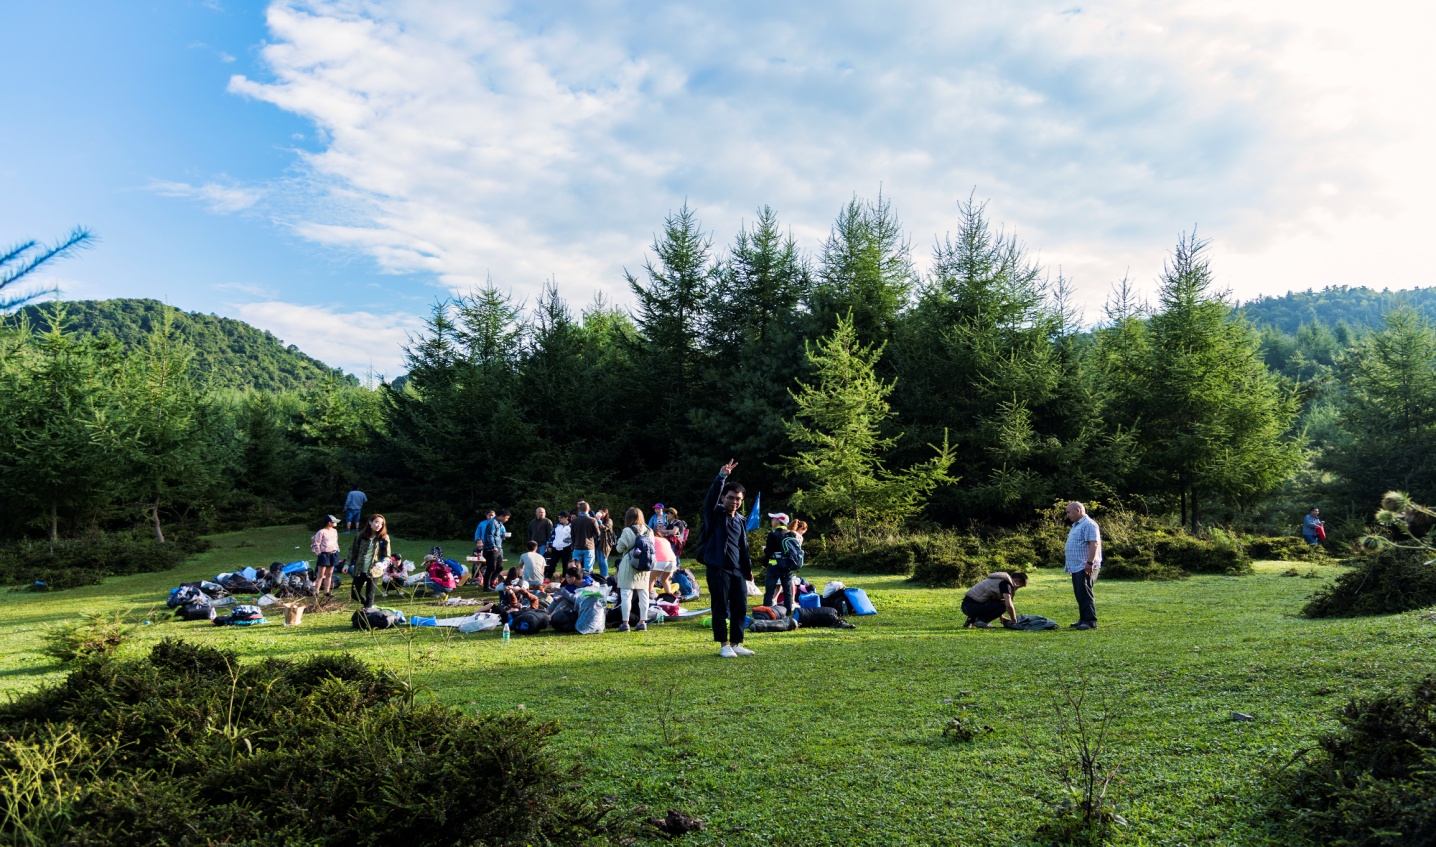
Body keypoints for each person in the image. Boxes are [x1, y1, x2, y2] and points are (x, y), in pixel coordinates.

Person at [696, 459, 755, 657]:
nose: (734, 502)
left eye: (738, 499)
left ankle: (737, 643)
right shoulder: (714, 515)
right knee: (720, 607)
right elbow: (710, 499)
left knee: (740, 607)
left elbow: (743, 547)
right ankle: (724, 645)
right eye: (731, 498)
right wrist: (721, 477)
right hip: (718, 569)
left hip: (736, 570)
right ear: (723, 498)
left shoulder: (740, 520)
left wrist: (747, 569)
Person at [614, 507, 653, 633]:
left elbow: (619, 549)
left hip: (629, 564)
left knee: (626, 594)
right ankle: (643, 622)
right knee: (644, 594)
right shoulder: (649, 530)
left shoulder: (627, 530)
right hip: (644, 564)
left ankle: (625, 623)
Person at [1064, 501, 1102, 630]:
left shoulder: (1089, 525)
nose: (1067, 515)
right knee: (1080, 593)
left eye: (1069, 512)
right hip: (1076, 566)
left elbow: (1094, 544)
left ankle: (1090, 621)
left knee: (1085, 593)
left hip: (1085, 565)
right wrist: (1070, 566)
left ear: (1078, 510)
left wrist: (1090, 563)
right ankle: (1083, 618)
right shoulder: (1076, 525)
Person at [346, 513, 390, 609]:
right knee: (354, 593)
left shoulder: (384, 537)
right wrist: (346, 564)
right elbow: (353, 550)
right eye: (376, 522)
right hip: (360, 569)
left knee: (370, 593)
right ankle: (368, 606)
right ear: (370, 522)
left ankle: (368, 610)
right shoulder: (361, 536)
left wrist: (384, 563)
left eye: (381, 524)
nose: (379, 525)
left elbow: (387, 555)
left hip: (374, 570)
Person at [962, 571, 1029, 628]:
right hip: (972, 607)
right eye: (1019, 586)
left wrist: (1001, 616)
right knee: (1004, 604)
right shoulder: (1005, 584)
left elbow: (993, 601)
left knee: (997, 602)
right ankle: (982, 621)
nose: (1017, 588)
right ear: (1016, 580)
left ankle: (971, 620)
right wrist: (1014, 620)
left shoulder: (997, 580)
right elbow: (1008, 604)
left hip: (966, 605)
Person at [761, 513, 796, 614]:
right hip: (787, 565)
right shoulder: (791, 534)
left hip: (774, 564)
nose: (771, 521)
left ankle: (767, 612)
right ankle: (788, 612)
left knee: (769, 592)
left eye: (773, 519)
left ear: (779, 521)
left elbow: (769, 552)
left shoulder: (773, 534)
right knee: (787, 591)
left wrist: (765, 559)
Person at [478, 509, 511, 590]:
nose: (506, 520)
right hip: (491, 549)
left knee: (499, 567)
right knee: (491, 568)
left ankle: (491, 583)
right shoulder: (493, 523)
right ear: (501, 516)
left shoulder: (499, 523)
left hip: (498, 548)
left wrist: (502, 536)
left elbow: (496, 535)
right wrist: (493, 546)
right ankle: (486, 587)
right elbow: (490, 535)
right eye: (506, 518)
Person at [311, 514, 341, 597]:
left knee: (329, 574)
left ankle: (326, 592)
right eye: (334, 521)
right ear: (329, 523)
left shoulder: (334, 531)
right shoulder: (321, 532)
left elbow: (336, 541)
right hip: (324, 555)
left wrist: (336, 549)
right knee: (320, 574)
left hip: (333, 554)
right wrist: (319, 553)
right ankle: (316, 592)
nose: (336, 523)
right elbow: (316, 544)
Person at [569, 501, 600, 575]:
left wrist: (573, 543)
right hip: (589, 546)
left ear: (579, 510)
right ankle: (587, 583)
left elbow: (572, 534)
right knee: (588, 569)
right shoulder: (592, 520)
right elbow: (598, 534)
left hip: (577, 546)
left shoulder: (574, 521)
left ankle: (575, 582)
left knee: (575, 568)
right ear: (588, 509)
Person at [548, 512, 573, 576]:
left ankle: (565, 577)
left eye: (561, 517)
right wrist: (550, 545)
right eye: (559, 517)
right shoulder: (556, 526)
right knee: (552, 563)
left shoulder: (571, 526)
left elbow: (573, 536)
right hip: (556, 547)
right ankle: (549, 576)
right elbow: (552, 535)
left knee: (565, 563)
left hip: (566, 547)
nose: (560, 519)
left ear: (566, 517)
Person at [594, 508, 616, 578]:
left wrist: (599, 521)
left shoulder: (609, 521)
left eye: (601, 512)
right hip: (598, 542)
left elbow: (605, 528)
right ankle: (602, 575)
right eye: (599, 512)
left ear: (606, 513)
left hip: (605, 543)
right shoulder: (596, 521)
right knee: (600, 562)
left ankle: (605, 576)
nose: (600, 513)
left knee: (603, 560)